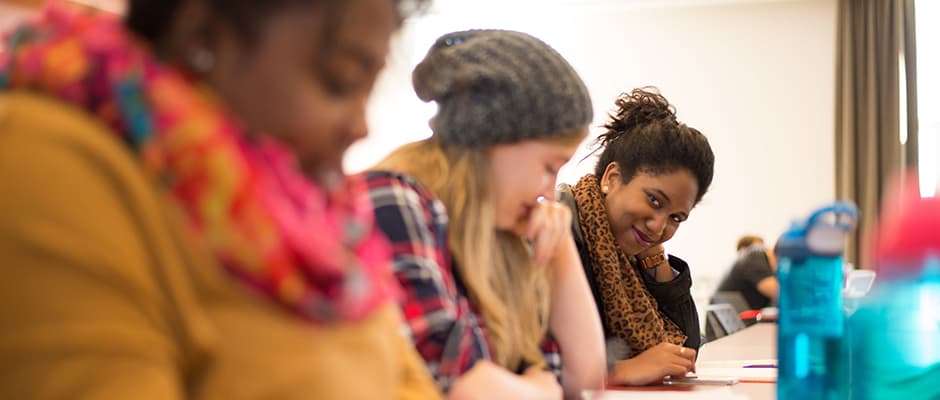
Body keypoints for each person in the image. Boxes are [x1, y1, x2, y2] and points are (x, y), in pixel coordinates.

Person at [0, 1, 441, 399]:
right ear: (202, 40)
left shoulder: (311, 220)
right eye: (339, 83)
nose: (361, 125)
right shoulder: (54, 163)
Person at [366, 30, 607, 399]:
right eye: (549, 166)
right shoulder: (395, 201)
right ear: (493, 139)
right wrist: (539, 390)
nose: (551, 191)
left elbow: (584, 382)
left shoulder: (502, 229)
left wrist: (559, 251)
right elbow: (461, 388)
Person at [558, 87, 715, 386]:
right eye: (655, 201)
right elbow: (528, 358)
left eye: (676, 218)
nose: (659, 227)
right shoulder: (560, 229)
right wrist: (618, 372)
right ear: (612, 179)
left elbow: (685, 347)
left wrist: (654, 255)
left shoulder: (627, 250)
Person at [715, 235, 779, 310]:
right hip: (738, 318)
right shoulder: (754, 255)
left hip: (733, 317)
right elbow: (780, 293)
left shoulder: (749, 257)